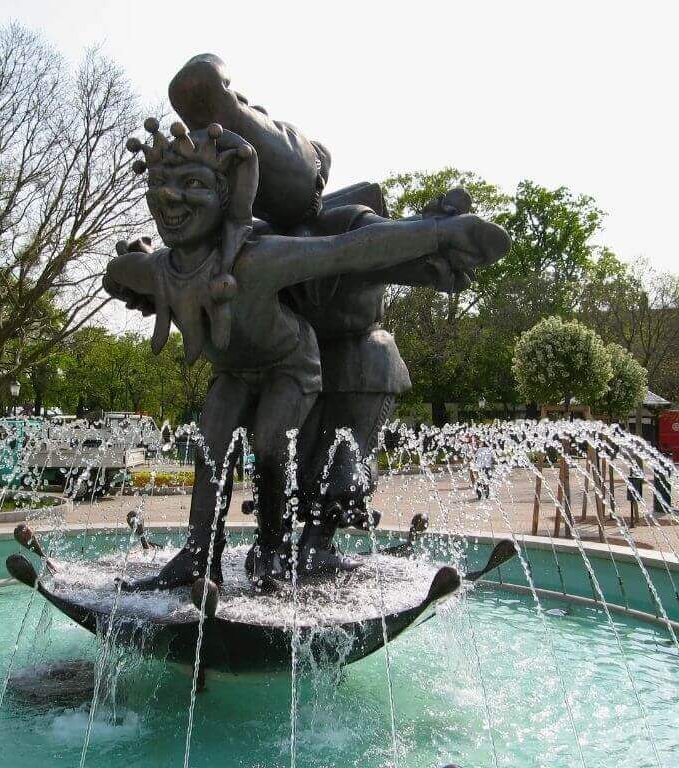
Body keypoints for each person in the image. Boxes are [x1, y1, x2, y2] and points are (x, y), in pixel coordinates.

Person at [103, 119, 508, 591]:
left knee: (271, 443)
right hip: (235, 369)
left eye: (192, 185)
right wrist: (129, 277)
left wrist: (438, 233)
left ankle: (272, 551)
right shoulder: (158, 268)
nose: (170, 199)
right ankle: (199, 556)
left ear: (226, 198)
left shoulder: (260, 256)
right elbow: (117, 273)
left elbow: (348, 250)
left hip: (289, 365)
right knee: (210, 445)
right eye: (159, 186)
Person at [168, 54, 489, 575]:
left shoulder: (345, 220)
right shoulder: (251, 238)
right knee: (242, 432)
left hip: (345, 362)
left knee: (366, 370)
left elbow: (368, 250)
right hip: (285, 367)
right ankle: (222, 548)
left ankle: (317, 538)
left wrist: (431, 243)